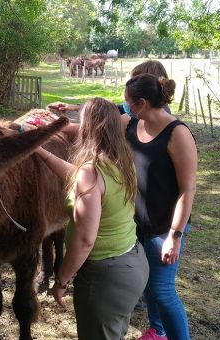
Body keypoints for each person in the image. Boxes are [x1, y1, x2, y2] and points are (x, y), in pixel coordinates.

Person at [36, 98, 149, 340]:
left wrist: (62, 280)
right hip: (132, 263)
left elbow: (86, 239)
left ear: (88, 127)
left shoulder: (91, 171)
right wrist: (43, 154)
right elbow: (84, 179)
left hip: (105, 277)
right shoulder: (121, 157)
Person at [124, 74, 197, 340]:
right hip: (138, 224)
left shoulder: (177, 134)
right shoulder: (131, 124)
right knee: (148, 286)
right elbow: (96, 123)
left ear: (142, 103)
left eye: (129, 103)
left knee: (163, 291)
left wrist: (174, 237)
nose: (126, 108)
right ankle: (158, 332)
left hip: (164, 229)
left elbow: (187, 189)